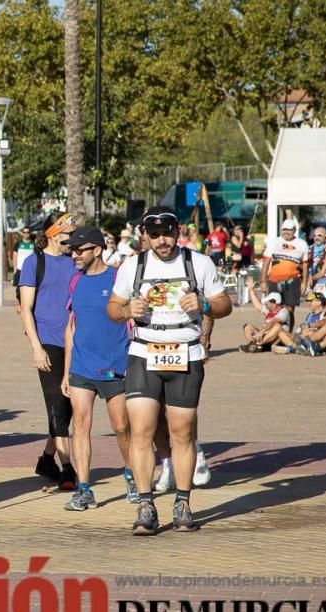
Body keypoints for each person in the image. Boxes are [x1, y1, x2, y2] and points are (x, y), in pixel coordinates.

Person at [107, 206, 232, 535]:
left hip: (185, 353)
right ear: (144, 235)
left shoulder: (199, 263)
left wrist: (204, 305)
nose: (162, 240)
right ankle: (145, 505)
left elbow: (225, 305)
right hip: (144, 351)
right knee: (141, 431)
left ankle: (182, 502)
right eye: (154, 234)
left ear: (178, 232)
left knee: (181, 432)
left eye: (168, 233)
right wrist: (125, 310)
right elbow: (112, 308)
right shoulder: (132, 266)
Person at [59, 226, 135, 510]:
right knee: (80, 425)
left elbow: (132, 317)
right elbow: (71, 327)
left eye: (80, 250)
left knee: (121, 427)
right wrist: (66, 371)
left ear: (97, 250)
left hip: (115, 365)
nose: (74, 255)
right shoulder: (75, 282)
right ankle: (84, 488)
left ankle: (132, 475)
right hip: (81, 366)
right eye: (72, 250)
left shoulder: (117, 278)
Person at [18, 213, 78, 489]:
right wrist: (36, 348)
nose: (73, 238)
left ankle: (46, 459)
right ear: (55, 233)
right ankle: (68, 469)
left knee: (69, 407)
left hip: (74, 344)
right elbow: (25, 309)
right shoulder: (35, 262)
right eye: (69, 232)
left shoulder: (74, 263)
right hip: (49, 343)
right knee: (57, 406)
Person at [261, 219, 309, 330]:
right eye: (284, 229)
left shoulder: (302, 244)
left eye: (289, 230)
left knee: (289, 309)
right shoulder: (274, 242)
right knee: (273, 308)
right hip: (274, 280)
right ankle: (270, 332)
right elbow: (266, 262)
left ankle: (288, 332)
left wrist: (304, 282)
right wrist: (263, 281)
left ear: (294, 230)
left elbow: (305, 265)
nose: (286, 232)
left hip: (292, 281)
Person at [239, 279, 289, 352]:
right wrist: (251, 290)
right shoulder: (269, 310)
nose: (266, 304)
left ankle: (258, 344)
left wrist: (262, 331)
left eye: (267, 303)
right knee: (248, 326)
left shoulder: (284, 312)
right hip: (264, 335)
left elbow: (274, 321)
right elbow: (257, 305)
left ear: (274, 303)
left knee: (277, 326)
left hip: (275, 339)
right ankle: (252, 344)